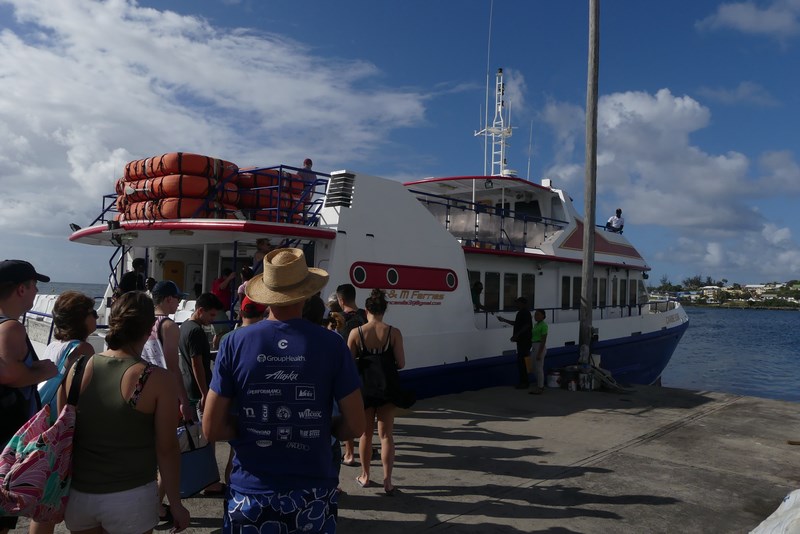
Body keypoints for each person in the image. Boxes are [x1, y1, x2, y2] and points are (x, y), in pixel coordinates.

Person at [203, 248, 364, 533]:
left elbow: (212, 428)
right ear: (306, 293)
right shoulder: (332, 344)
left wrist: (250, 429)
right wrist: (323, 426)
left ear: (266, 293)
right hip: (312, 491)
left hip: (250, 492)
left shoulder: (233, 343)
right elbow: (355, 424)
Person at [60, 291, 189, 533]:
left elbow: (64, 432)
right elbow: (167, 448)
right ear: (150, 327)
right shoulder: (156, 379)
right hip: (131, 498)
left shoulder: (77, 368)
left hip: (80, 497)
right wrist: (175, 503)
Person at [0, 260, 57, 534]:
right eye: (34, 286)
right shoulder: (10, 328)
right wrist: (43, 369)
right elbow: (9, 374)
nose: (36, 292)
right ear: (21, 289)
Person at [347, 289, 406, 496]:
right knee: (386, 436)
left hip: (364, 389)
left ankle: (365, 476)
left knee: (365, 434)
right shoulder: (394, 333)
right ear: (385, 309)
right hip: (387, 388)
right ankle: (388, 481)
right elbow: (401, 363)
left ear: (366, 310)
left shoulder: (356, 333)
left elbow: (347, 364)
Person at [177, 291, 226, 496]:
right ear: (200, 311)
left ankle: (205, 479)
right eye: (211, 316)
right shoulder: (196, 331)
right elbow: (197, 363)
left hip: (188, 388)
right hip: (199, 391)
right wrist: (206, 393)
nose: (212, 320)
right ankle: (210, 483)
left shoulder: (184, 327)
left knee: (198, 438)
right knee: (207, 436)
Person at [337, 283, 367, 466]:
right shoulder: (365, 315)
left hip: (348, 369)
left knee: (347, 413)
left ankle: (349, 454)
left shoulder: (339, 317)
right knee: (364, 412)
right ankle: (366, 446)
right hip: (366, 369)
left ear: (341, 300)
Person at [497, 297, 533, 389]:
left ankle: (524, 383)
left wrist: (516, 335)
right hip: (523, 341)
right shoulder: (522, 313)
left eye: (518, 303)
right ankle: (525, 382)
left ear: (523, 303)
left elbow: (526, 325)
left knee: (522, 362)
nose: (516, 305)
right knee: (523, 361)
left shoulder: (524, 312)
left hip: (524, 341)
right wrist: (504, 320)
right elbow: (516, 323)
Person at [529, 309, 549, 395]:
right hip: (534, 346)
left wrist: (539, 353)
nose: (535, 316)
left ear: (543, 316)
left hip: (539, 346)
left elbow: (543, 340)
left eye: (538, 314)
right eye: (535, 315)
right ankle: (539, 384)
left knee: (539, 368)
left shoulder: (544, 326)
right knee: (532, 367)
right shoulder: (536, 325)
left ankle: (540, 387)